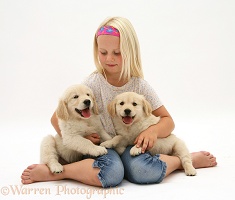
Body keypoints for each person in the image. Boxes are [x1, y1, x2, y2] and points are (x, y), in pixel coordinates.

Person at [21, 16, 217, 187]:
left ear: (130, 51)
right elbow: (57, 118)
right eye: (103, 52)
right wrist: (82, 140)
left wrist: (152, 131)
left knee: (143, 172)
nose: (109, 59)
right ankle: (58, 172)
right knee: (111, 173)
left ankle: (185, 160)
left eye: (117, 52)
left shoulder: (140, 86)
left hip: (131, 145)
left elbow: (168, 120)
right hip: (106, 146)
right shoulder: (93, 83)